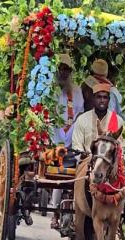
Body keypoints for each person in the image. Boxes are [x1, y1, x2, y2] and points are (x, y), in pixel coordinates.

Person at [50, 53, 84, 229]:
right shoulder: (49, 88)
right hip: (52, 137)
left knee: (76, 173)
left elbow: (80, 116)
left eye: (67, 69)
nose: (63, 72)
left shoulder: (77, 91)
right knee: (56, 177)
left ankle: (78, 212)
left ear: (70, 72)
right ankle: (54, 213)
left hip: (73, 139)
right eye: (61, 69)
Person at [72, 83, 124, 155]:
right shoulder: (82, 119)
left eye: (105, 97)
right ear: (93, 99)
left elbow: (122, 146)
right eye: (99, 97)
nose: (102, 100)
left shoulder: (118, 120)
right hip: (87, 161)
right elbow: (76, 146)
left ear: (109, 100)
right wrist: (85, 158)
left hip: (110, 162)